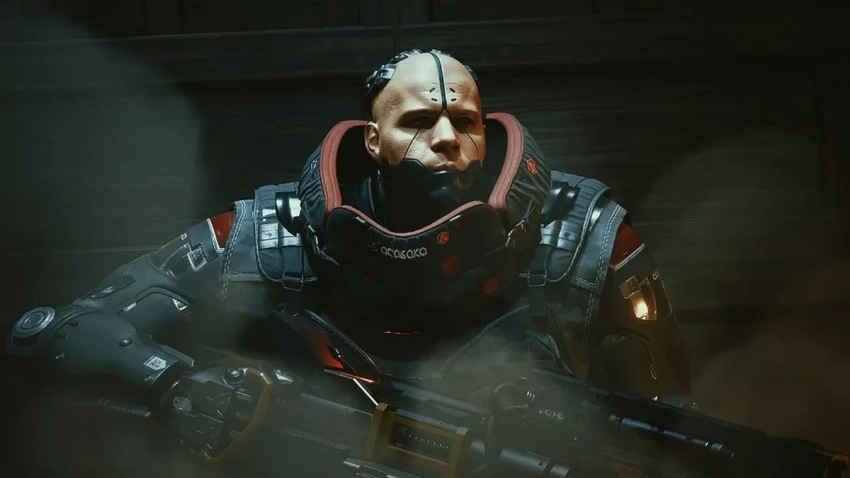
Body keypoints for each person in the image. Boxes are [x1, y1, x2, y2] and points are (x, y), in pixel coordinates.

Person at [5, 49, 694, 462]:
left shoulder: (582, 240)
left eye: (465, 121)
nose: (447, 138)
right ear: (371, 140)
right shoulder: (262, 237)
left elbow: (673, 428)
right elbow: (53, 331)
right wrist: (174, 385)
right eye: (418, 120)